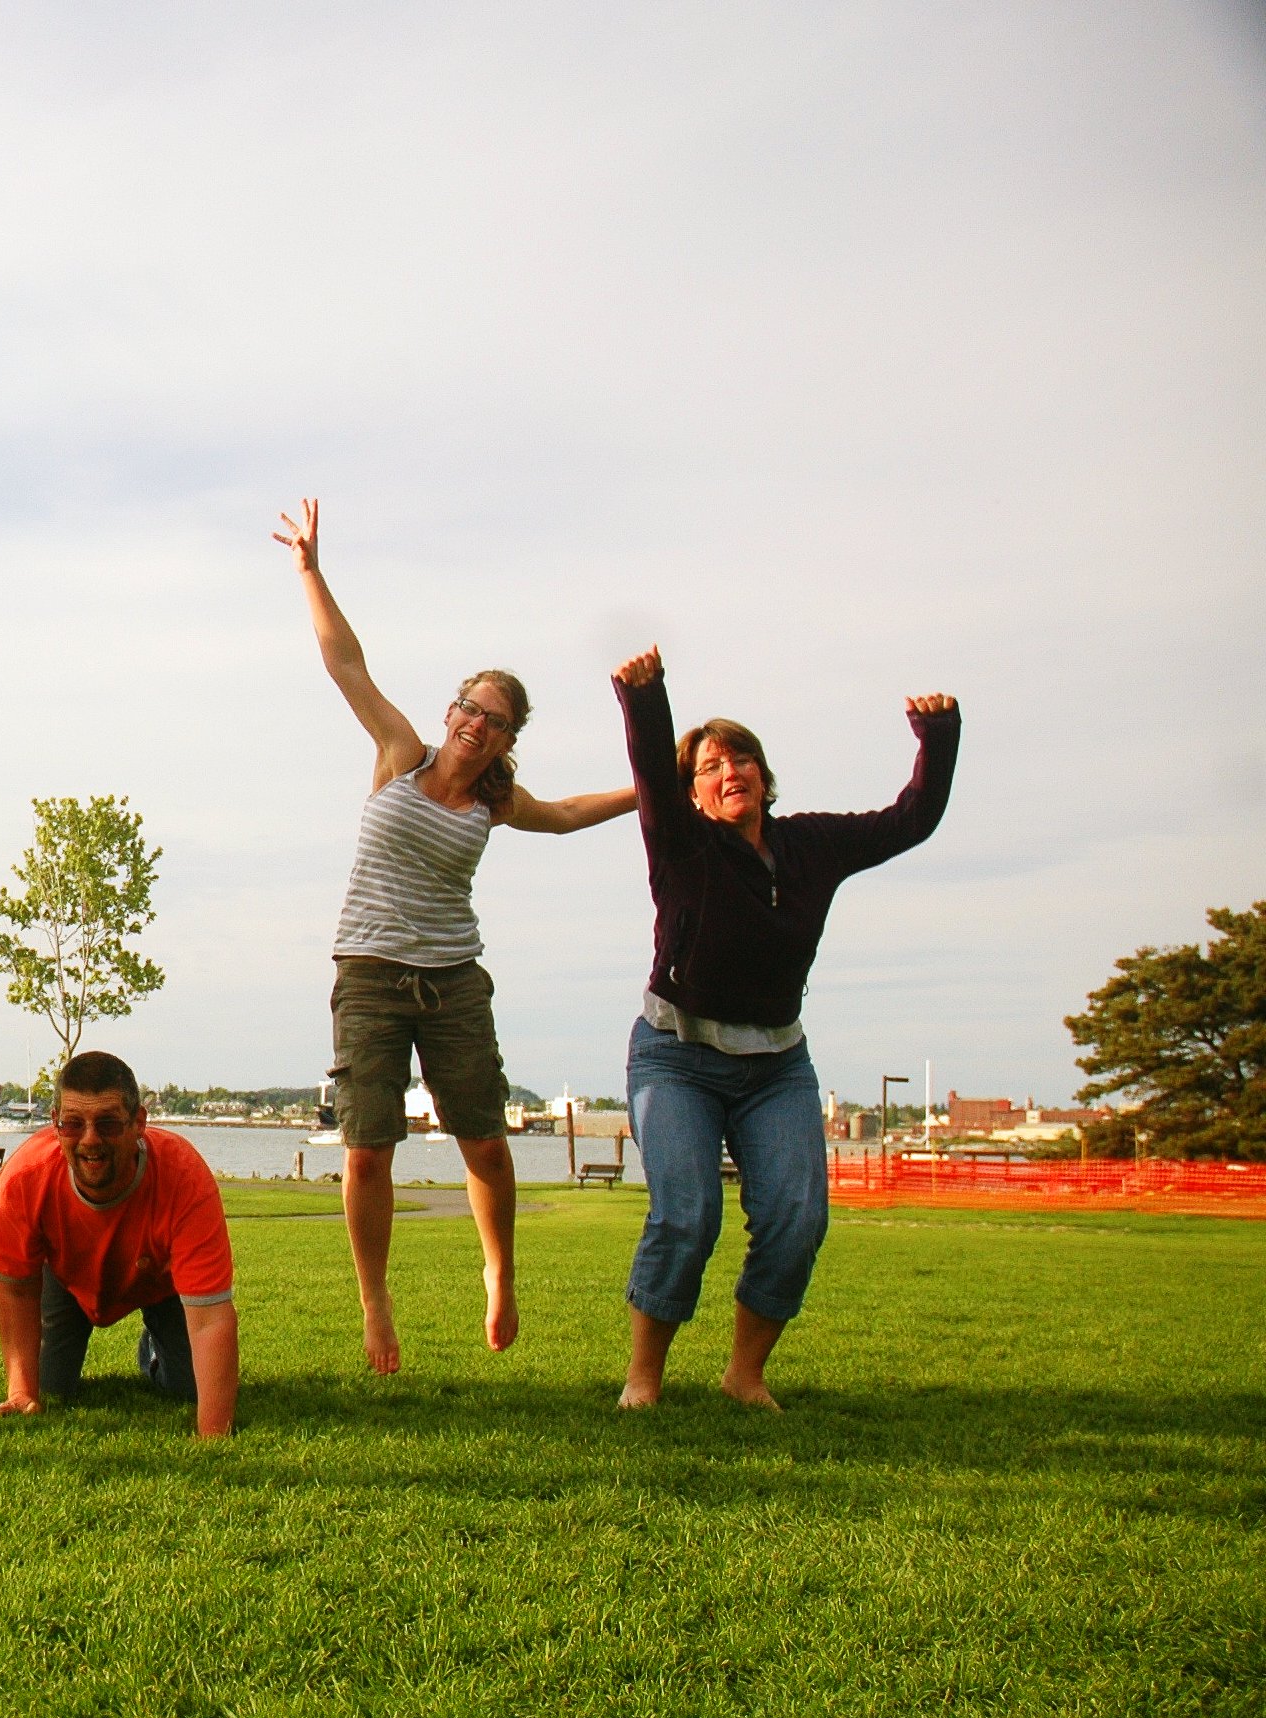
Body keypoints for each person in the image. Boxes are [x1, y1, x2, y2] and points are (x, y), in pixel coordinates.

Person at [274, 499, 636, 1375]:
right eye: (470, 708)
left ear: (510, 736)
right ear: (452, 711)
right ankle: (376, 1304)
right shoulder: (400, 753)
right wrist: (312, 571)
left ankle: (499, 1269)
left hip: (452, 979)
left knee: (484, 1141)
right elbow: (345, 664)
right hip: (367, 973)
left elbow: (567, 815)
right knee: (367, 1150)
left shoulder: (495, 803)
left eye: (496, 718)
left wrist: (647, 791)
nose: (477, 724)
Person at [610, 646, 959, 1410]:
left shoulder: (810, 846)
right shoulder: (680, 842)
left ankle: (744, 1372)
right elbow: (649, 772)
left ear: (764, 777)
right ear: (691, 793)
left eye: (742, 761)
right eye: (710, 767)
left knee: (798, 1218)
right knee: (687, 1213)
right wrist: (644, 696)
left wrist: (937, 737)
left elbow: (913, 819)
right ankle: (644, 1377)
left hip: (777, 1064)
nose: (729, 773)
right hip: (677, 1056)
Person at [0, 1051, 240, 1438]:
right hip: (64, 1281)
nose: (90, 1140)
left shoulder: (183, 1175)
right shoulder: (24, 1177)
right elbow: (14, 1288)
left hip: (161, 1283)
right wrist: (20, 1393)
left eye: (109, 1124)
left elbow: (212, 1316)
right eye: (73, 1124)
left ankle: (153, 1347)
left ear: (139, 1123)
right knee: (51, 1389)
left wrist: (214, 1433)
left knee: (190, 1388)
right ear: (54, 1124)